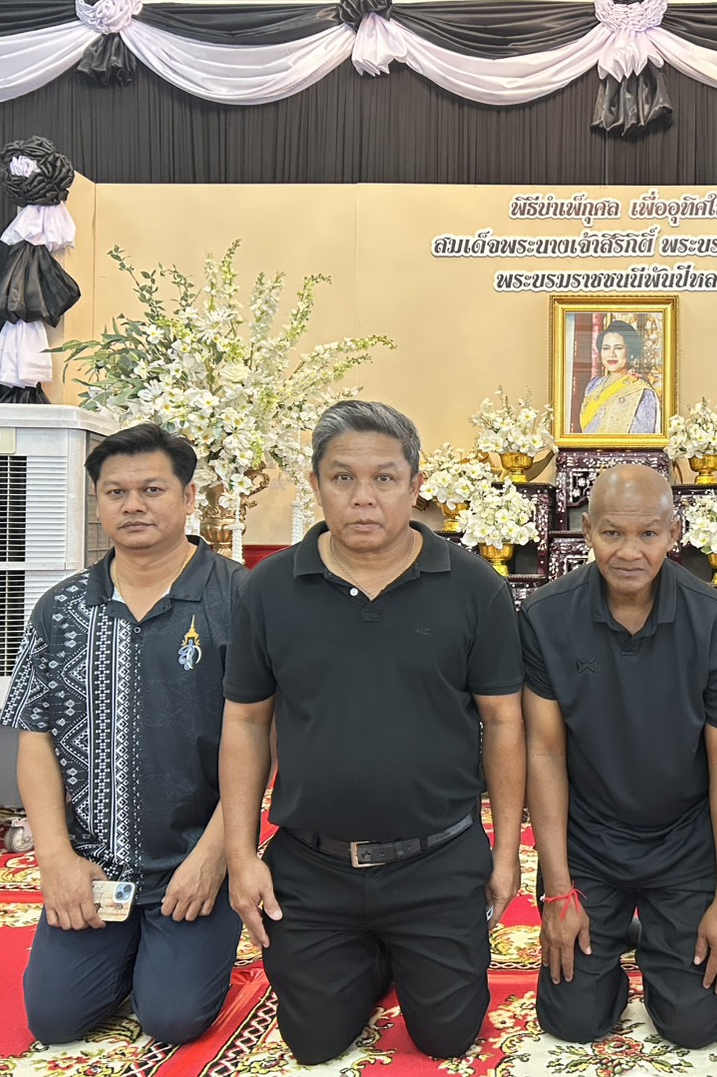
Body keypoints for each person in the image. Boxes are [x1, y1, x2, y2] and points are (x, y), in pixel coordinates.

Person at [219, 400, 525, 1065]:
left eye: (384, 478)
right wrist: (241, 856)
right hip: (312, 864)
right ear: (315, 485)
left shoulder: (474, 587)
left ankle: (400, 949)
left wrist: (504, 852)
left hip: (437, 859)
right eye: (343, 478)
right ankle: (370, 954)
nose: (364, 498)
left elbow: (504, 721)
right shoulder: (268, 589)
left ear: (416, 485)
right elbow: (245, 721)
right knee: (314, 1044)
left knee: (447, 1038)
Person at [0, 423, 246, 1046]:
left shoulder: (241, 600)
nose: (133, 505)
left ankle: (175, 951)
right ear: (98, 502)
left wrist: (215, 857)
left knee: (173, 1020)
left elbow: (269, 739)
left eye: (152, 489)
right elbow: (35, 738)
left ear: (189, 497)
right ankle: (129, 948)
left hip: (194, 864)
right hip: (93, 868)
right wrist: (56, 860)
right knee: (55, 1020)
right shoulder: (61, 608)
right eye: (116, 492)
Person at [520, 464, 717, 1048]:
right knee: (573, 1021)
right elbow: (544, 752)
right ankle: (614, 956)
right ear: (587, 532)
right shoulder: (547, 616)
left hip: (684, 843)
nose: (629, 552)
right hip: (591, 842)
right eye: (612, 533)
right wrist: (559, 889)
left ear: (674, 533)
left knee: (694, 1027)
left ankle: (658, 945)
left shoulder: (714, 620)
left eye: (648, 534)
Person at [579, 322, 660, 434]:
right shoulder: (593, 386)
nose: (611, 354)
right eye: (606, 348)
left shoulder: (641, 391)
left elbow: (642, 438)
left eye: (618, 348)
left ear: (630, 352)